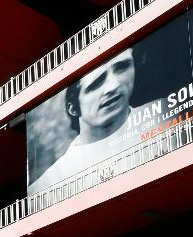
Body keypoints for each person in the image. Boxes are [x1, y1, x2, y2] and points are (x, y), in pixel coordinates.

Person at [31, 49, 144, 193]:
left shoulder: (167, 117)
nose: (114, 86)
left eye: (122, 67)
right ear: (73, 108)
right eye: (96, 83)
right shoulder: (47, 187)